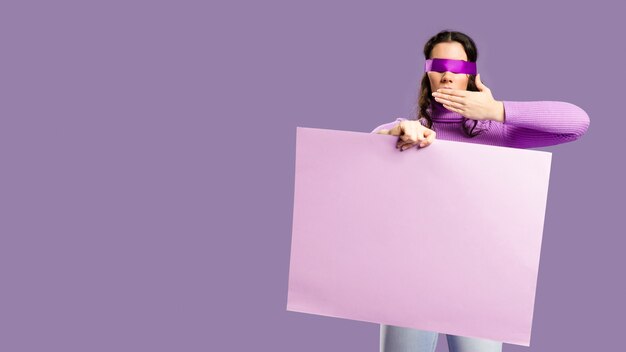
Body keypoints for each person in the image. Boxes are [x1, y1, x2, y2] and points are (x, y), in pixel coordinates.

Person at [371, 30, 590, 352]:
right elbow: (364, 157)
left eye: (458, 67)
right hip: (409, 277)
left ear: (473, 75)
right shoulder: (405, 133)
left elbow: (577, 123)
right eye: (439, 65)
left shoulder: (500, 133)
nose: (447, 74)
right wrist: (393, 132)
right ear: (426, 72)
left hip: (479, 280)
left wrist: (496, 111)